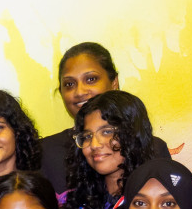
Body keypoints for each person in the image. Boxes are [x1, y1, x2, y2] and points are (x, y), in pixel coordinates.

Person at [39, 43, 170, 194]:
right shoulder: (45, 152)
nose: (80, 91)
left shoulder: (153, 148)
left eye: (91, 79)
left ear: (114, 82)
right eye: (69, 84)